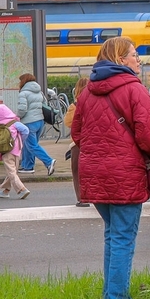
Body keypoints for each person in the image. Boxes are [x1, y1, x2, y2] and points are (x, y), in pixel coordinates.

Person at [72, 36, 150, 299]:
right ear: (121, 59)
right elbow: (149, 138)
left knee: (113, 234)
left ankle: (110, 297)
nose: (138, 60)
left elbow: (76, 133)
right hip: (125, 173)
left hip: (93, 172)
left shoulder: (88, 91)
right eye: (134, 55)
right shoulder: (134, 90)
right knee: (122, 237)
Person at [0, 105, 31, 200]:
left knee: (11, 172)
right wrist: (20, 142)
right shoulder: (14, 123)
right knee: (12, 171)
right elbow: (26, 131)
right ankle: (5, 191)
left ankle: (21, 189)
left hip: (5, 152)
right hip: (16, 150)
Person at [15, 73, 56, 176]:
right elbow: (45, 104)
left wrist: (17, 117)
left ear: (23, 81)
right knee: (29, 145)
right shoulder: (39, 92)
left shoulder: (23, 93)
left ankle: (49, 161)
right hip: (40, 121)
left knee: (32, 146)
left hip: (29, 122)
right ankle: (28, 167)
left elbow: (22, 109)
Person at [64, 77, 90, 207]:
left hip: (77, 142)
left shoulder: (74, 106)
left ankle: (81, 198)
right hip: (93, 140)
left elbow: (68, 122)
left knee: (77, 171)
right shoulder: (94, 103)